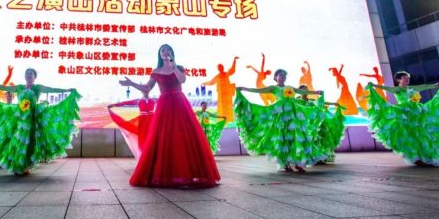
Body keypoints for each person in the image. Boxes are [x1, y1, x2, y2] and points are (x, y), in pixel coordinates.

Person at [119, 44, 220, 188]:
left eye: (167, 50)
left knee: (184, 136)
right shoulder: (156, 71)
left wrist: (173, 66)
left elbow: (182, 80)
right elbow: (147, 88)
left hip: (179, 104)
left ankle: (190, 173)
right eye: (162, 50)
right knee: (164, 137)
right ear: (159, 55)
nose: (165, 52)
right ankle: (165, 174)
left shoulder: (178, 68)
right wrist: (131, 83)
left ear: (172, 53)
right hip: (164, 105)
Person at [0, 68, 81, 175]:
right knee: (16, 141)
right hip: (19, 119)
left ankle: (25, 165)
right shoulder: (19, 87)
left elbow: (52, 89)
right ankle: (17, 164)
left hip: (32, 119)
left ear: (34, 77)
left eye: (31, 74)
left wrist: (67, 90)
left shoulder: (38, 87)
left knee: (29, 143)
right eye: (27, 74)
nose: (28, 75)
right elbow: (3, 87)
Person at [235, 69, 325, 172]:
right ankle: (285, 164)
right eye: (280, 75)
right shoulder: (273, 88)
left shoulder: (290, 87)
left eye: (284, 75)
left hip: (292, 116)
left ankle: (297, 163)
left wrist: (316, 92)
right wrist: (244, 88)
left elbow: (302, 92)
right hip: (280, 117)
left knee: (295, 138)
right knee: (282, 139)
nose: (283, 77)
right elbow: (258, 90)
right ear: (275, 77)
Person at [366, 71, 439, 166]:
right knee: (410, 136)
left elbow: (423, 86)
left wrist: (435, 85)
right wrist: (374, 85)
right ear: (398, 80)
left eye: (408, 78)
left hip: (417, 114)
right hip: (405, 114)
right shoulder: (397, 89)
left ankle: (423, 158)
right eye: (404, 78)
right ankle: (416, 158)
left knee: (420, 135)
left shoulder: (411, 88)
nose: (407, 80)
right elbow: (387, 88)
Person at [297, 85, 346, 164]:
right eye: (303, 90)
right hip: (303, 124)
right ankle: (305, 158)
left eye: (306, 89)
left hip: (314, 125)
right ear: (299, 91)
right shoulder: (297, 101)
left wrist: (333, 103)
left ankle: (318, 158)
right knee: (305, 142)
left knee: (317, 141)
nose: (305, 91)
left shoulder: (311, 100)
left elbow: (322, 103)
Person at [107, 88, 156, 158]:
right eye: (144, 90)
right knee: (143, 137)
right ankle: (144, 156)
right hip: (143, 122)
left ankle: (154, 155)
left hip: (153, 121)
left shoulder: (154, 99)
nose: (145, 92)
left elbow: (165, 102)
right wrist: (114, 105)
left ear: (149, 91)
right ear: (141, 91)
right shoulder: (138, 100)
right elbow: (125, 103)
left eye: (147, 90)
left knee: (153, 137)